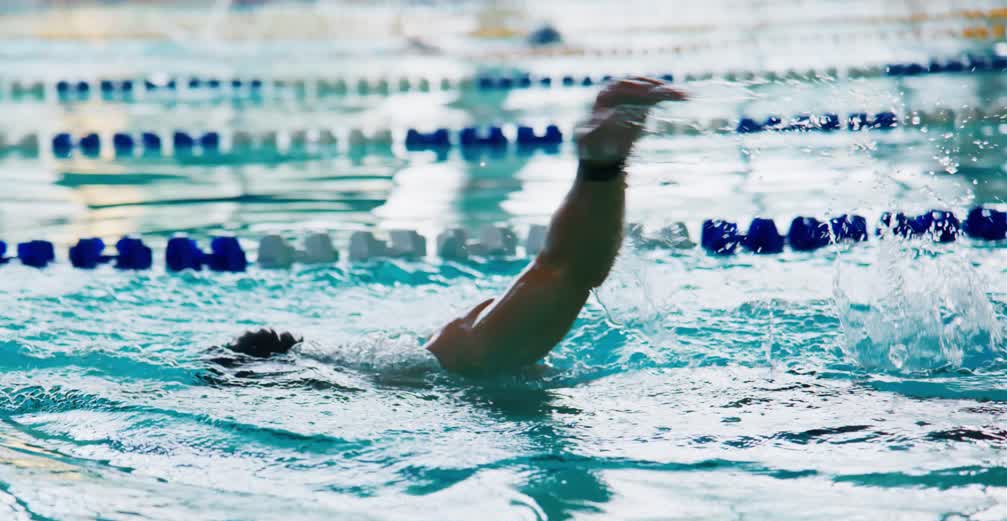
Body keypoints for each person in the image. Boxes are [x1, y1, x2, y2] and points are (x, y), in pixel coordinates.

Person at [225, 78, 686, 376]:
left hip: (451, 379)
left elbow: (566, 272)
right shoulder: (407, 365)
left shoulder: (404, 373)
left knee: (560, 278)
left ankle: (600, 167)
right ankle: (600, 168)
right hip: (452, 369)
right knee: (558, 279)